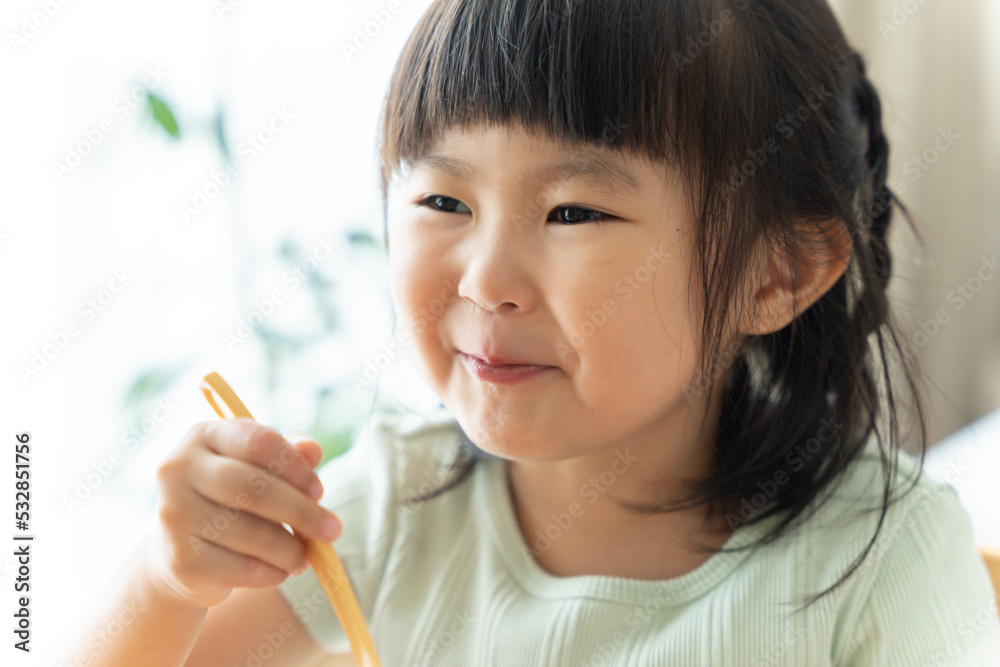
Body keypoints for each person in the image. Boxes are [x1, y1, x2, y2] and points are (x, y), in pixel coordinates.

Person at [61, 0, 1000, 665]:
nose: (485, 280)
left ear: (778, 272)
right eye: (441, 198)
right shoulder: (394, 508)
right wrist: (165, 581)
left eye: (575, 212)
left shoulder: (886, 564)